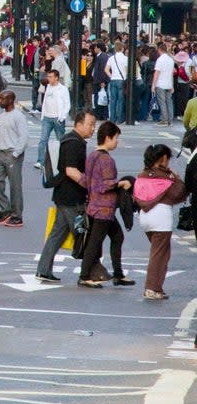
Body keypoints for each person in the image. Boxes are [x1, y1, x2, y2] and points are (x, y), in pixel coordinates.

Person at [34, 110, 96, 284]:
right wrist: (90, 186)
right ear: (78, 124)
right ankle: (89, 273)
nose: (93, 129)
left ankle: (43, 270)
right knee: (84, 234)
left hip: (63, 195)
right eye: (90, 124)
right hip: (71, 197)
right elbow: (70, 170)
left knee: (58, 234)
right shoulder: (74, 143)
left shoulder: (72, 140)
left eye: (94, 125)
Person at [78, 122, 133, 289]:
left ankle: (118, 274)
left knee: (117, 237)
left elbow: (87, 180)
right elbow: (107, 184)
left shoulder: (92, 156)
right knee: (95, 242)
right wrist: (122, 183)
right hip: (105, 208)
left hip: (93, 205)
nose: (117, 141)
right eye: (116, 138)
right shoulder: (107, 159)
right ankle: (84, 276)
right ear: (108, 138)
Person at [136, 144, 186, 300]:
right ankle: (152, 288)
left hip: (144, 217)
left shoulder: (142, 174)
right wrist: (176, 178)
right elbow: (179, 194)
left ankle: (156, 287)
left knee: (158, 253)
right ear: (164, 158)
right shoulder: (166, 176)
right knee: (159, 256)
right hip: (161, 219)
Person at [0, 91, 28, 227]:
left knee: (15, 186)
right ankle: (6, 210)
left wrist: (16, 154)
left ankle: (17, 217)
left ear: (11, 100)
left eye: (2, 98)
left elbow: (24, 136)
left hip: (13, 153)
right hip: (1, 152)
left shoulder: (18, 116)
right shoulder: (2, 115)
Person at [35, 70, 70, 170]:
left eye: (51, 77)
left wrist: (62, 117)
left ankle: (63, 161)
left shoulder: (63, 89)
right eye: (48, 76)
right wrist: (43, 115)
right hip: (47, 117)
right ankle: (40, 161)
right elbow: (45, 101)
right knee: (43, 140)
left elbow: (67, 104)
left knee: (61, 140)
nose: (48, 78)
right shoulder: (48, 87)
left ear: (56, 78)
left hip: (57, 118)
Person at [152, 45, 176, 127]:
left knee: (162, 102)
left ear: (159, 50)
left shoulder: (160, 59)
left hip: (161, 83)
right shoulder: (171, 60)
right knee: (169, 102)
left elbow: (157, 73)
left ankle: (164, 120)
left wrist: (153, 85)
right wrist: (172, 85)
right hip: (169, 83)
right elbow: (172, 73)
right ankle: (170, 120)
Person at [107, 42, 128, 124]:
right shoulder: (125, 58)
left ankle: (112, 118)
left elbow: (106, 69)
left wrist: (111, 76)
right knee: (120, 100)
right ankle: (119, 118)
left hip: (113, 80)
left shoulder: (111, 58)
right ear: (122, 49)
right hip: (122, 80)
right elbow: (127, 70)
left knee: (113, 100)